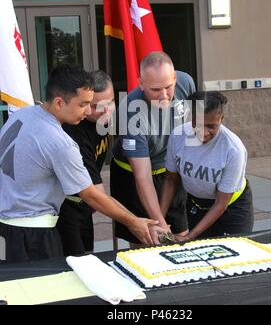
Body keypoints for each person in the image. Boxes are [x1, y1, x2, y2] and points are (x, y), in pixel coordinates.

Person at [0, 66, 159, 263]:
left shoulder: (20, 115)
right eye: (83, 104)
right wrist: (134, 222)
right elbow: (92, 195)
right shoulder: (60, 142)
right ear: (59, 102)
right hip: (33, 234)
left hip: (7, 225)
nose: (87, 111)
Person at [111, 51, 196, 246]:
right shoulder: (130, 111)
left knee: (182, 233)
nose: (164, 95)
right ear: (141, 83)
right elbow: (143, 177)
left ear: (174, 78)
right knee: (147, 240)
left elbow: (195, 126)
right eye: (155, 90)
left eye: (168, 87)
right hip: (134, 175)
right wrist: (161, 224)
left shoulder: (186, 83)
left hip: (169, 170)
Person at [160, 91, 254, 241]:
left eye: (211, 126)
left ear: (221, 118)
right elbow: (170, 180)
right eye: (198, 125)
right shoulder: (178, 135)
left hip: (231, 209)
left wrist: (190, 236)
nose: (203, 132)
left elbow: (221, 203)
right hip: (197, 204)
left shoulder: (234, 149)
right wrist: (160, 220)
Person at [57, 70, 115, 256]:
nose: (106, 111)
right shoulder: (75, 131)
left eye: (111, 102)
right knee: (75, 262)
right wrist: (134, 221)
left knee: (88, 254)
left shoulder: (104, 117)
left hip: (85, 204)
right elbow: (98, 195)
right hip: (67, 206)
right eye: (97, 106)